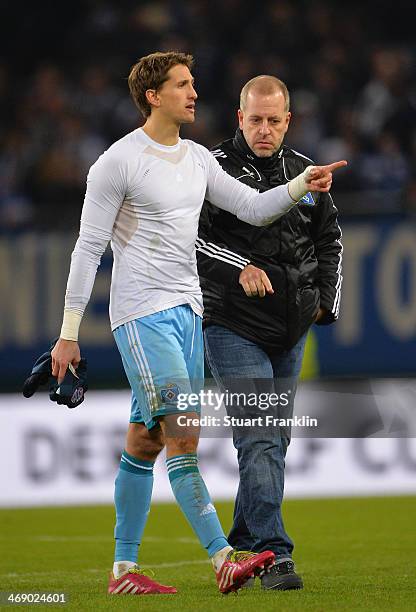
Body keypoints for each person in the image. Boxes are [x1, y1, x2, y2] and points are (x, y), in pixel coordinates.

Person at [50, 52, 346, 596]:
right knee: (182, 435)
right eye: (182, 85)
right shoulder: (117, 163)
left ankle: (124, 571)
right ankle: (224, 557)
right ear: (152, 96)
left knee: (144, 441)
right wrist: (68, 332)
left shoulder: (194, 159)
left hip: (189, 311)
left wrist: (303, 183)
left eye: (193, 84)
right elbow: (87, 247)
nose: (193, 94)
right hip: (143, 316)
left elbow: (256, 208)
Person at [197, 75, 343, 590]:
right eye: (254, 119)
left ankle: (242, 535)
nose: (263, 129)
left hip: (292, 328)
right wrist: (240, 267)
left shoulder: (307, 172)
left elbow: (329, 239)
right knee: (260, 436)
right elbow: (193, 240)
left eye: (273, 120)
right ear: (239, 118)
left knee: (274, 439)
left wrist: (327, 300)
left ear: (288, 121)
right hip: (232, 324)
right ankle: (274, 554)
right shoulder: (211, 169)